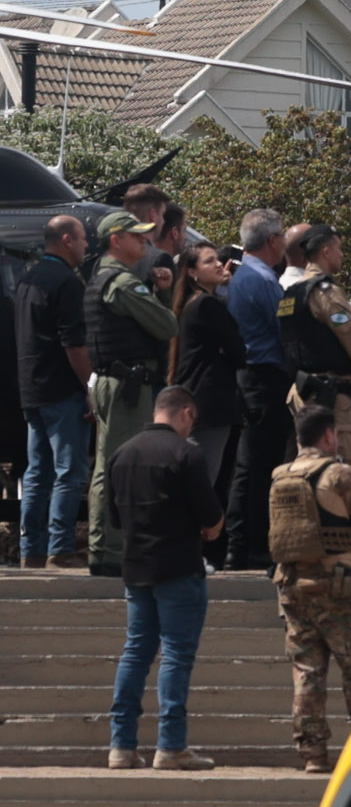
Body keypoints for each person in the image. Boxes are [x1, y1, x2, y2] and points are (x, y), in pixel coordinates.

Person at [106, 385, 223, 768]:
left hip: (136, 567)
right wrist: (212, 528)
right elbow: (210, 517)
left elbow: (115, 519)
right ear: (186, 412)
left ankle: (121, 746)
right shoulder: (186, 454)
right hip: (179, 567)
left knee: (135, 651)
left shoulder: (121, 454)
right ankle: (170, 746)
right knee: (175, 654)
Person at [270, 402, 351, 771]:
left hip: (292, 588)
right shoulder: (338, 474)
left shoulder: (280, 476)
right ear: (329, 435)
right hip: (338, 589)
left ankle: (313, 754)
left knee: (307, 671)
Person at [84, 212, 178, 576]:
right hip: (127, 386)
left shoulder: (103, 277)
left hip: (115, 382)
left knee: (109, 464)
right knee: (119, 466)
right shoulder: (122, 283)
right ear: (115, 241)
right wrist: (164, 295)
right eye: (135, 236)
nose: (144, 242)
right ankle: (112, 550)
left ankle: (107, 547)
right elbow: (166, 324)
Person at [14, 212, 91, 569]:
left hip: (32, 387)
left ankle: (31, 550)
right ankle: (60, 548)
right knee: (69, 471)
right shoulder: (67, 282)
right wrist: (90, 386)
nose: (86, 245)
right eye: (83, 239)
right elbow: (73, 342)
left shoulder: (27, 279)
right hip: (62, 390)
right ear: (67, 241)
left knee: (36, 474)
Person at [222, 211, 294, 567]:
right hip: (263, 378)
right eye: (282, 235)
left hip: (251, 377)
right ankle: (251, 546)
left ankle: (242, 544)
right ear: (272, 241)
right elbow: (282, 332)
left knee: (250, 463)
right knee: (259, 464)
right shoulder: (262, 280)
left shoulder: (244, 275)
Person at [278, 223, 351, 476]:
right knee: (342, 470)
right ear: (325, 252)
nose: (342, 254)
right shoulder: (326, 293)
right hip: (329, 396)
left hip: (300, 393)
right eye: (339, 249)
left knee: (306, 467)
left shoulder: (291, 293)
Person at [168, 242, 248, 524]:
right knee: (203, 480)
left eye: (218, 260)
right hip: (210, 404)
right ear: (192, 272)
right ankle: (187, 548)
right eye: (208, 261)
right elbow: (239, 350)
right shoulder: (207, 304)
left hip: (195, 399)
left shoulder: (194, 304)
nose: (218, 265)